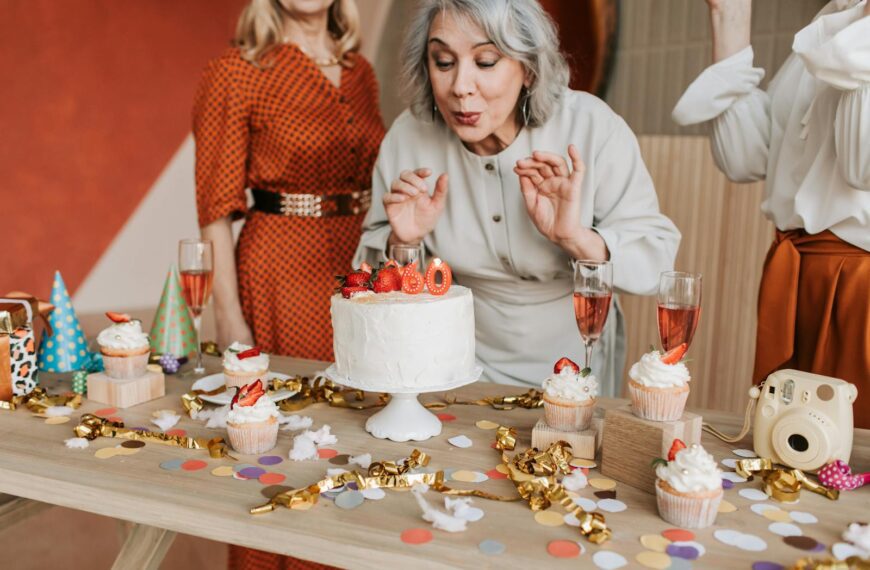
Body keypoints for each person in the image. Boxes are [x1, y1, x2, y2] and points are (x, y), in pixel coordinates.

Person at [355, 0, 680, 396]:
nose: (460, 86)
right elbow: (370, 285)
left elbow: (657, 256)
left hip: (574, 361)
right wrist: (403, 243)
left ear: (528, 68)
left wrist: (577, 238)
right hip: (455, 365)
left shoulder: (591, 127)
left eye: (486, 61)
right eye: (443, 61)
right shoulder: (409, 138)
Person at [193, 0, 384, 567]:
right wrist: (229, 315)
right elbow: (215, 207)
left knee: (355, 438)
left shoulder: (360, 71)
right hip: (279, 270)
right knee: (286, 441)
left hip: (358, 271)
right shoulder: (237, 70)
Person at [672, 0, 870, 426]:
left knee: (847, 462)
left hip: (858, 290)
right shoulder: (830, 21)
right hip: (797, 273)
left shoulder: (854, 35)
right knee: (788, 449)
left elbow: (863, 164)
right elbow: (749, 159)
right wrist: (730, 16)